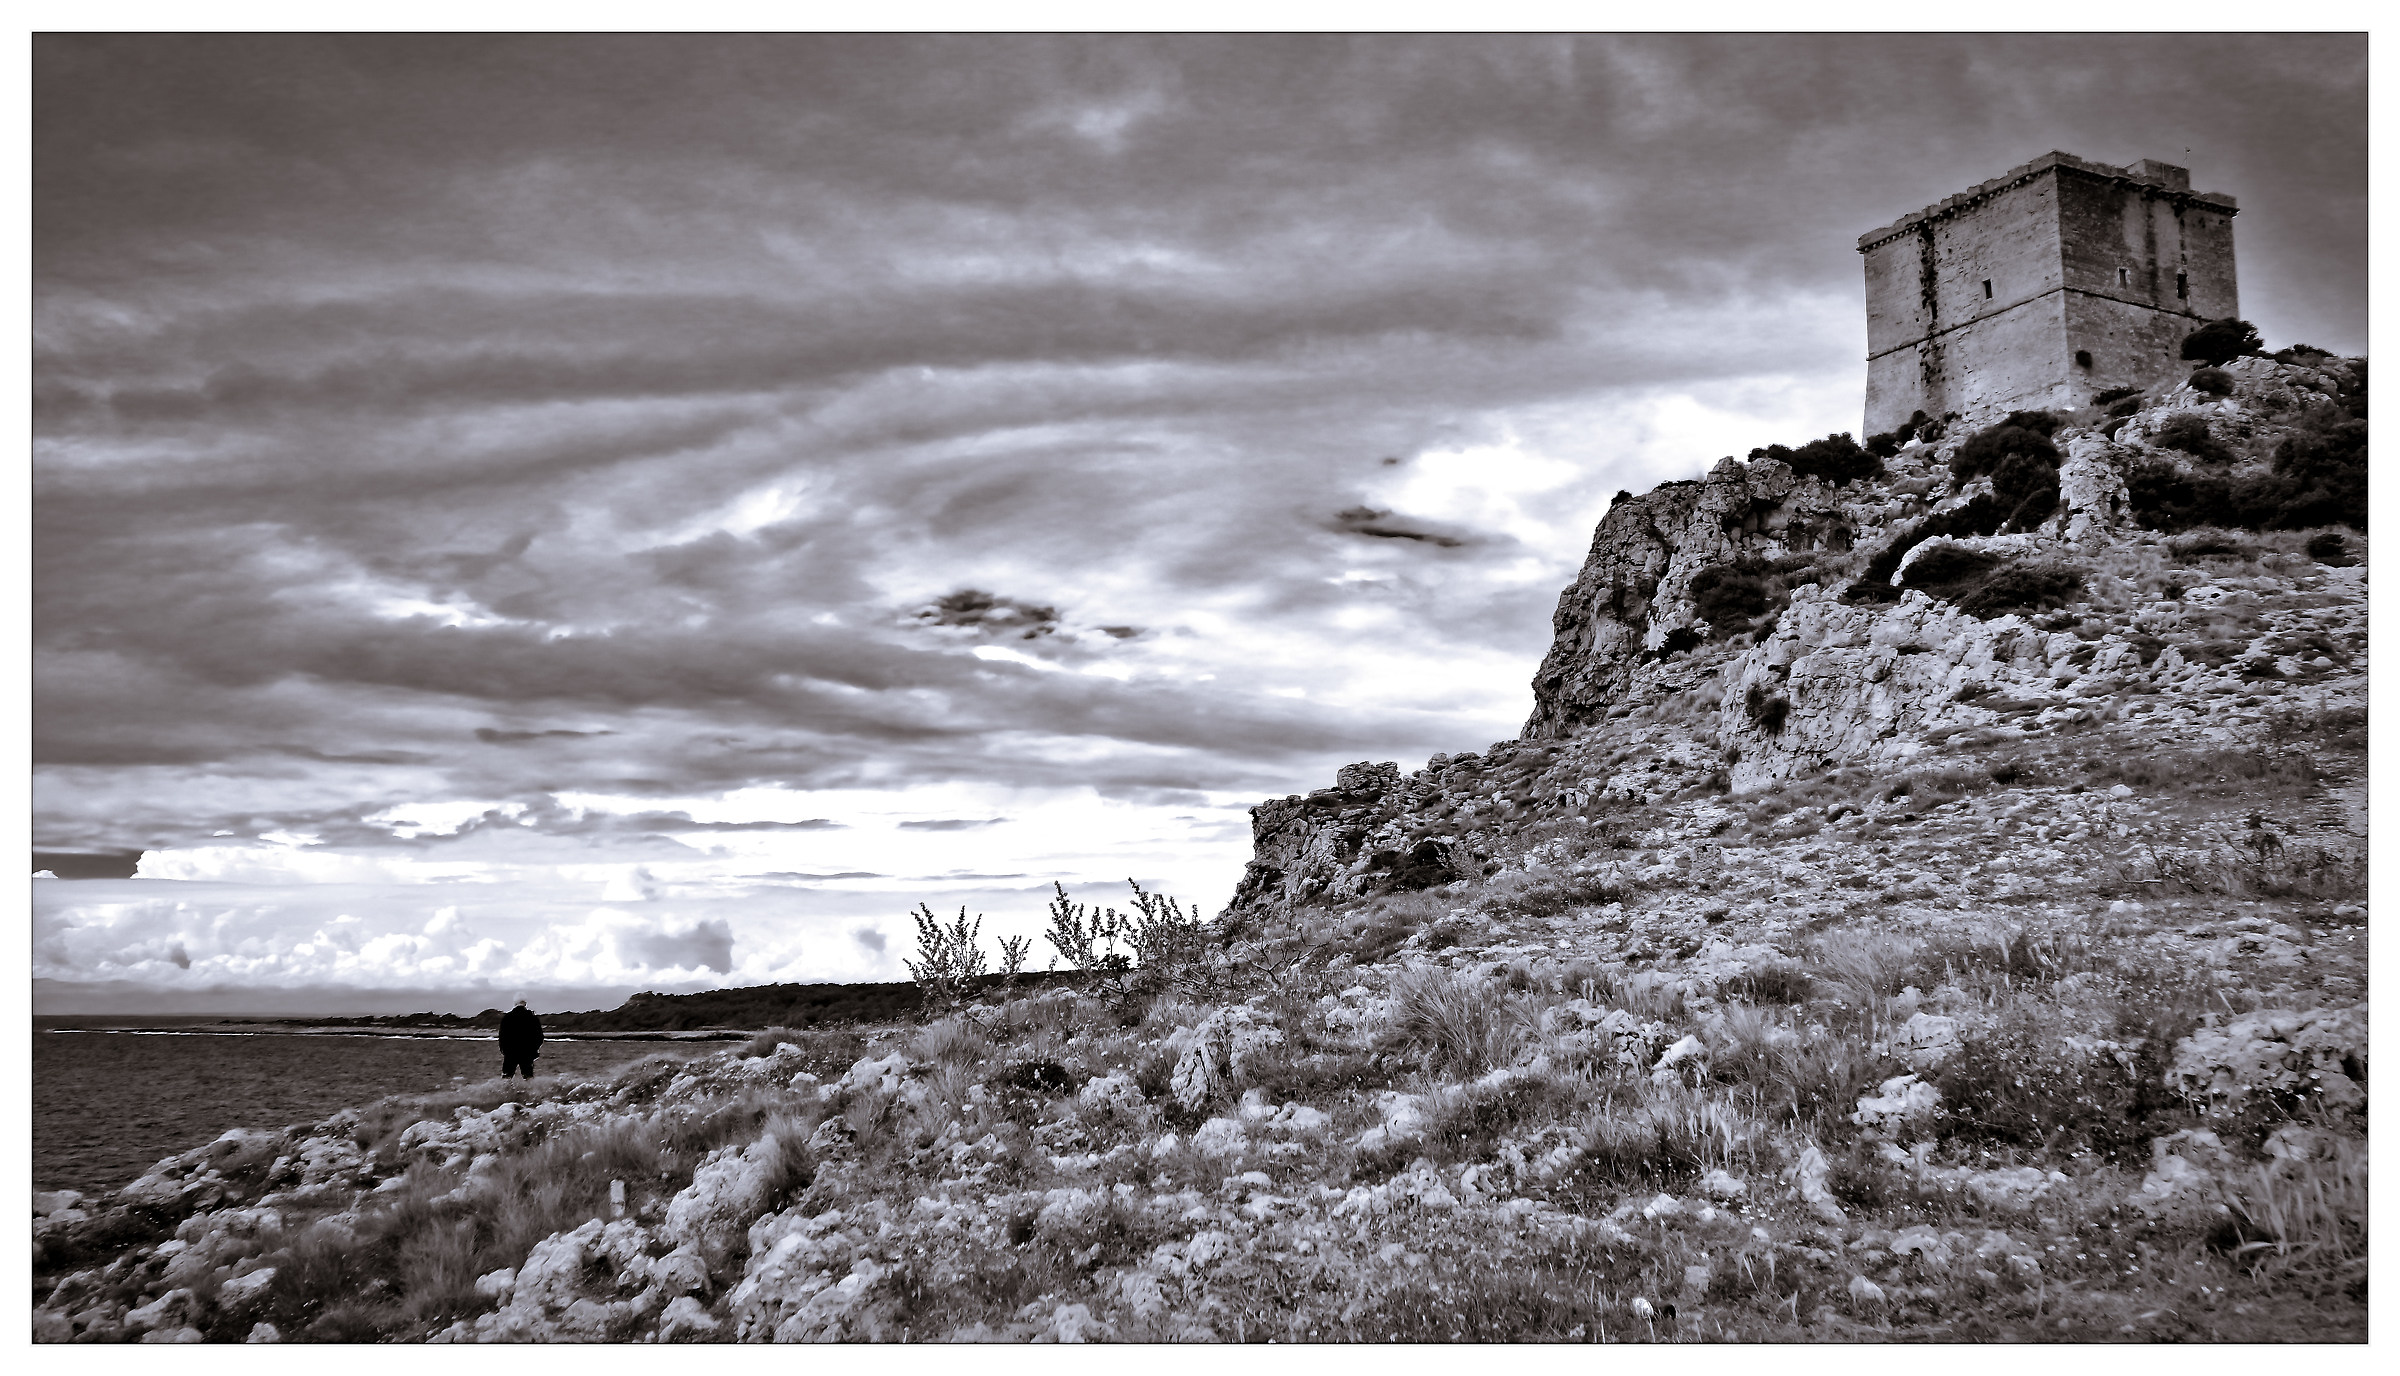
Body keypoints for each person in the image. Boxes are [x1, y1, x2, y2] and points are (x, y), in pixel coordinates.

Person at [499, 998, 544, 1081]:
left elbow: (502, 1036)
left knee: (507, 1076)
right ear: (525, 1005)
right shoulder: (532, 1017)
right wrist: (535, 1049)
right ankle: (531, 1089)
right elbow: (539, 1036)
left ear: (515, 1004)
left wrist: (503, 1049)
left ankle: (504, 1089)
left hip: (510, 1051)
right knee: (528, 1077)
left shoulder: (507, 1017)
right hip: (527, 1051)